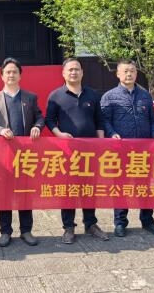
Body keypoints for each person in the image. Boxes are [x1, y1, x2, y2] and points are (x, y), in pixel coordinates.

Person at [45, 57, 109, 243]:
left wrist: (100, 142)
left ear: (82, 72)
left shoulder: (93, 95)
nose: (73, 72)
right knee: (68, 189)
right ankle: (68, 227)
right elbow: (49, 120)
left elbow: (99, 120)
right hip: (67, 151)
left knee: (89, 187)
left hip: (90, 151)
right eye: (70, 70)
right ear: (63, 73)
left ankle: (91, 223)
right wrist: (59, 134)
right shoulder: (55, 95)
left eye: (77, 69)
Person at [0, 57, 45, 247]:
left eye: (14, 72)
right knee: (4, 194)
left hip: (25, 155)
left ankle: (26, 230)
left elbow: (40, 118)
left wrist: (37, 127)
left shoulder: (30, 97)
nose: (11, 75)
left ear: (20, 75)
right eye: (7, 72)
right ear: (2, 76)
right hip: (3, 155)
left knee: (25, 193)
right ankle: (5, 231)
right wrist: (0, 130)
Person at [100, 59, 154, 237]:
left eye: (132, 71)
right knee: (120, 186)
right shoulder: (109, 96)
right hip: (120, 150)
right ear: (118, 74)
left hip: (144, 150)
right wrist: (112, 133)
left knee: (145, 186)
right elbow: (104, 121)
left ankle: (147, 220)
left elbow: (153, 121)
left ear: (136, 73)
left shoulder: (145, 96)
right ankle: (120, 222)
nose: (129, 74)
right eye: (125, 71)